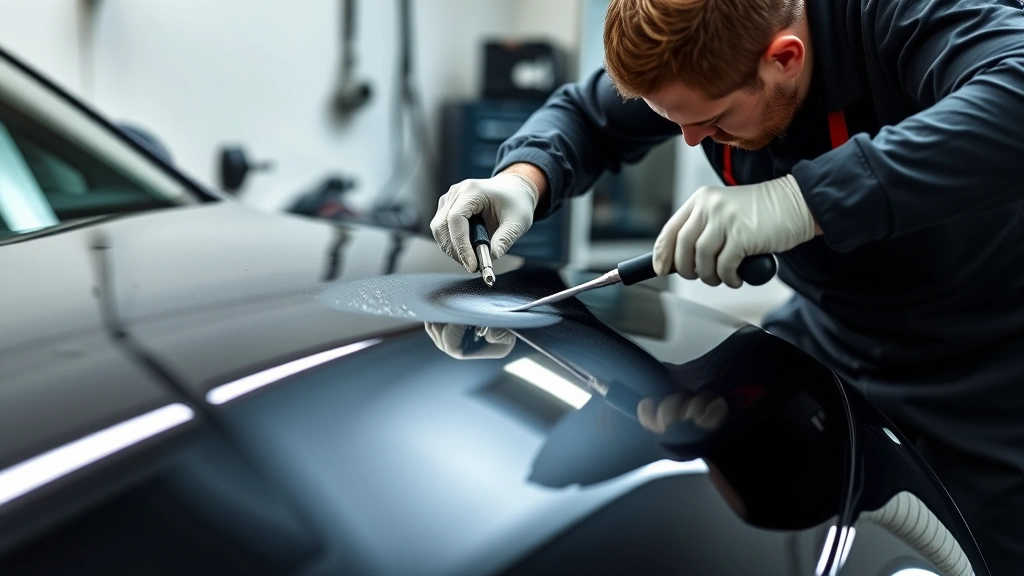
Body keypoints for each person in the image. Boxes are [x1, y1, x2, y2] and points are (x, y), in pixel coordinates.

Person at [430, 0, 1024, 572]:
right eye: (675, 122)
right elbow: (589, 116)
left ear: (784, 58)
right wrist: (522, 178)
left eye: (713, 122)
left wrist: (803, 200)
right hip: (833, 334)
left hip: (988, 365)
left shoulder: (894, 13)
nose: (691, 141)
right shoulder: (702, 57)